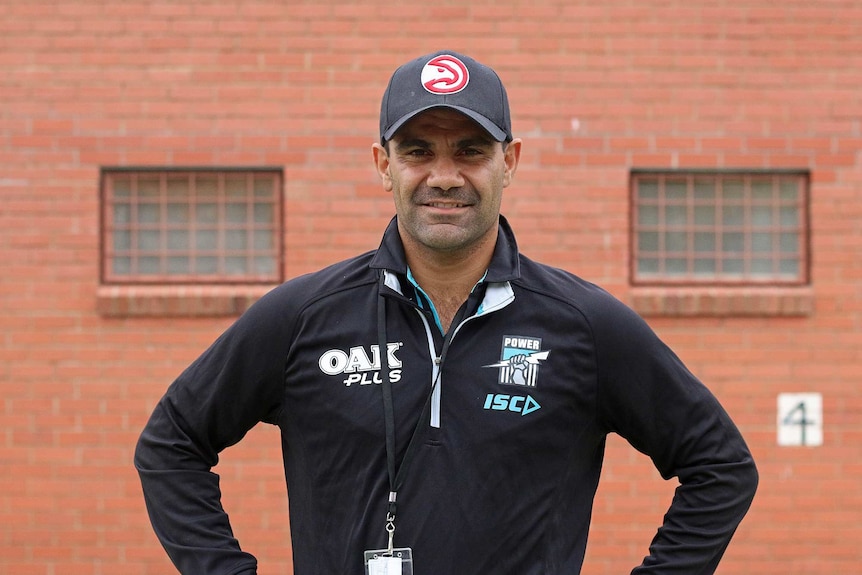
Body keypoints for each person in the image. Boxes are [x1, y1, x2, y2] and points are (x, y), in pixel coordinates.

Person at [135, 50, 758, 575]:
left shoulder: (584, 326)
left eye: (469, 151)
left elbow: (721, 467)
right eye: (416, 151)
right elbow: (172, 442)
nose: (444, 176)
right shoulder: (304, 317)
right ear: (385, 165)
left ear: (508, 162)